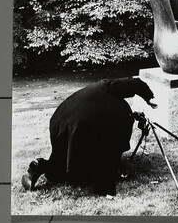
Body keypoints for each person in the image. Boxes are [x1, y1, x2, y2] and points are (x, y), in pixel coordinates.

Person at [21, 77, 156, 197]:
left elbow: (133, 84)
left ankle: (41, 165)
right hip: (84, 124)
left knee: (63, 162)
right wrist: (149, 98)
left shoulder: (100, 87)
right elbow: (136, 83)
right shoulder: (116, 112)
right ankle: (101, 179)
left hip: (59, 119)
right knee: (98, 159)